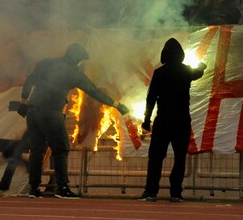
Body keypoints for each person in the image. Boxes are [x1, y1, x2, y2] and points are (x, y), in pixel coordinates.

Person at [19, 43, 129, 199]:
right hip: (51, 112)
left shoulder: (46, 63)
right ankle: (62, 188)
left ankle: (34, 189)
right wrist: (116, 104)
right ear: (76, 59)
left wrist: (24, 102)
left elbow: (29, 80)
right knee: (61, 149)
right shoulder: (73, 72)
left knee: (37, 150)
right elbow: (93, 91)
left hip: (33, 110)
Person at [139, 38, 207, 202]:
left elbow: (151, 98)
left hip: (163, 119)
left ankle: (150, 191)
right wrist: (202, 66)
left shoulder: (159, 73)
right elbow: (199, 71)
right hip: (182, 119)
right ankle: (176, 192)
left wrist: (147, 120)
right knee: (180, 157)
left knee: (156, 157)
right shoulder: (186, 71)